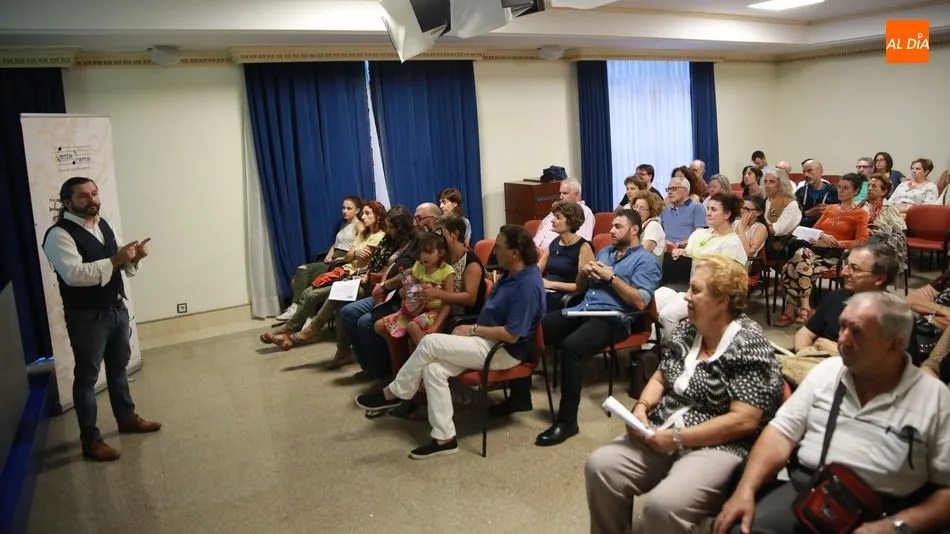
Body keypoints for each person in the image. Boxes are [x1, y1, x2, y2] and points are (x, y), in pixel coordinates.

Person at [714, 292, 950, 534]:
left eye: (856, 331)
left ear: (894, 343)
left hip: (885, 509)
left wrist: (895, 526)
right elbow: (780, 434)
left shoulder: (934, 399)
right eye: (842, 327)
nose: (841, 340)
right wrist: (745, 490)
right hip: (812, 491)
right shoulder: (827, 372)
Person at [586, 256, 783, 534]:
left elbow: (744, 421)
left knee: (664, 506)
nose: (686, 297)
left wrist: (678, 438)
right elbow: (661, 376)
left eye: (695, 290)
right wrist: (641, 408)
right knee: (601, 466)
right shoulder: (688, 328)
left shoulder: (748, 341)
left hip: (719, 444)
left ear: (723, 300)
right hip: (665, 425)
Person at [355, 225, 545, 459]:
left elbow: (512, 335)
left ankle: (394, 392)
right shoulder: (512, 274)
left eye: (499, 246)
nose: (494, 251)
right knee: (433, 370)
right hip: (485, 341)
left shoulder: (526, 285)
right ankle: (444, 437)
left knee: (430, 343)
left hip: (504, 350)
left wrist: (474, 329)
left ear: (515, 253)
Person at [494, 209, 662, 447]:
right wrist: (586, 273)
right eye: (611, 226)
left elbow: (640, 302)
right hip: (584, 308)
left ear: (634, 230)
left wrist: (611, 277)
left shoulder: (646, 260)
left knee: (572, 347)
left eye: (617, 227)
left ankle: (567, 421)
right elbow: (582, 287)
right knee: (529, 328)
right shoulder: (606, 252)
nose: (611, 231)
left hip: (613, 318)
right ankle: (520, 397)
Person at [41, 177, 161, 461]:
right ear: (67, 202)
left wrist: (135, 257)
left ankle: (127, 418)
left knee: (119, 368)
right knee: (87, 378)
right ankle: (91, 441)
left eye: (94, 193)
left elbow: (122, 266)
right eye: (84, 196)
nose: (93, 199)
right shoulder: (58, 235)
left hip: (116, 309)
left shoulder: (103, 224)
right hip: (87, 317)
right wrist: (117, 260)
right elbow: (74, 275)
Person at [260, 201, 386, 348]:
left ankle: (296, 331)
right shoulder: (363, 233)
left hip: (355, 277)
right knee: (307, 292)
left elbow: (359, 262)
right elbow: (349, 256)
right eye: (363, 213)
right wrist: (356, 253)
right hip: (344, 270)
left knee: (315, 295)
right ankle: (289, 329)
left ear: (378, 216)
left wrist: (354, 255)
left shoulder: (380, 236)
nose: (363, 217)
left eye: (367, 213)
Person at [339, 203, 442, 382]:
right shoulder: (389, 239)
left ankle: (382, 375)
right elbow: (380, 262)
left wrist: (385, 284)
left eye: (419, 218)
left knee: (365, 323)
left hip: (399, 293)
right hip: (384, 287)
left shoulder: (422, 241)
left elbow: (409, 270)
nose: (416, 222)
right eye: (415, 218)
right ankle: (368, 367)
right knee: (347, 312)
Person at [782, 244, 900, 386]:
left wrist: (840, 352)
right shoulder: (837, 297)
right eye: (846, 265)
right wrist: (805, 355)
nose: (844, 272)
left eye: (854, 268)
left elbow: (895, 374)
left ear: (879, 279)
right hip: (817, 367)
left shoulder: (895, 316)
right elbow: (805, 333)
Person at [778, 173, 868, 327]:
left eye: (846, 188)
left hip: (835, 256)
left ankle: (791, 309)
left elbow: (862, 241)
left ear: (856, 191)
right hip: (814, 252)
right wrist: (821, 236)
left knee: (790, 266)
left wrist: (836, 243)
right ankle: (805, 307)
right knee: (802, 256)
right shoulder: (830, 209)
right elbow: (813, 231)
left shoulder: (860, 214)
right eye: (839, 187)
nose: (841, 191)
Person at [656, 193, 747, 340]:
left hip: (708, 292)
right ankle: (651, 349)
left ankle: (675, 353)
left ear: (727, 214)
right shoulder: (699, 234)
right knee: (651, 304)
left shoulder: (733, 243)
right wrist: (682, 252)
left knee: (668, 315)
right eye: (708, 208)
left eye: (714, 209)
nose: (708, 213)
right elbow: (690, 255)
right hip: (684, 283)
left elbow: (727, 280)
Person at [277, 195, 363, 321]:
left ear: (357, 210)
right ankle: (303, 313)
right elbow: (336, 243)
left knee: (302, 271)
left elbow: (362, 239)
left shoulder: (358, 224)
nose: (345, 211)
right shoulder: (344, 224)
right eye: (343, 208)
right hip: (333, 257)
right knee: (296, 279)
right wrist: (329, 253)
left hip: (342, 260)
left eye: (349, 208)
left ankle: (297, 310)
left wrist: (345, 257)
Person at [375, 231, 455, 349]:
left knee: (413, 326)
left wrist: (436, 325)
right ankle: (399, 359)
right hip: (416, 309)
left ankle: (427, 358)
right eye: (422, 251)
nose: (425, 256)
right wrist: (405, 292)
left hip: (436, 313)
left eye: (429, 252)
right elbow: (409, 289)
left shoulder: (447, 271)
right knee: (379, 325)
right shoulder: (419, 266)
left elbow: (448, 302)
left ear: (441, 253)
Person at [538, 201, 595, 312]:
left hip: (565, 296)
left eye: (558, 217)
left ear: (570, 221)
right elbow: (538, 268)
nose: (552, 220)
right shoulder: (554, 242)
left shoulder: (583, 247)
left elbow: (582, 286)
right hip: (547, 290)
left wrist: (551, 284)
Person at [533, 178, 595, 251]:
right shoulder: (558, 209)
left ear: (576, 194)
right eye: (560, 193)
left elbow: (582, 243)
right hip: (535, 252)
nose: (560, 197)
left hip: (555, 254)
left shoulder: (584, 211)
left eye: (565, 193)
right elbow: (543, 225)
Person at [761, 170, 801, 260]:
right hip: (762, 239)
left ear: (782, 184)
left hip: (780, 244)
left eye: (772, 182)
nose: (767, 185)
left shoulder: (790, 204)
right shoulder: (763, 201)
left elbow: (777, 229)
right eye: (765, 181)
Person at [660, 176, 708, 247]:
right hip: (666, 251)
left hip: (687, 252)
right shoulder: (665, 210)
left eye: (674, 189)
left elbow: (700, 235)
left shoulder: (697, 207)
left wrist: (679, 244)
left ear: (685, 191)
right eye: (668, 189)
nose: (669, 192)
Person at [794, 159, 838, 228]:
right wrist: (806, 213)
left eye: (809, 171)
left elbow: (845, 211)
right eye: (804, 172)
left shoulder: (834, 191)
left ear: (821, 171)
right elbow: (792, 214)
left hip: (828, 230)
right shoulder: (800, 192)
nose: (806, 174)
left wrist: (830, 210)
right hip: (803, 231)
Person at [630, 190, 666, 262]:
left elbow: (642, 253)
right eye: (635, 207)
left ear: (651, 211)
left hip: (649, 270)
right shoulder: (637, 225)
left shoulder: (654, 226)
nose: (637, 210)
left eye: (642, 208)